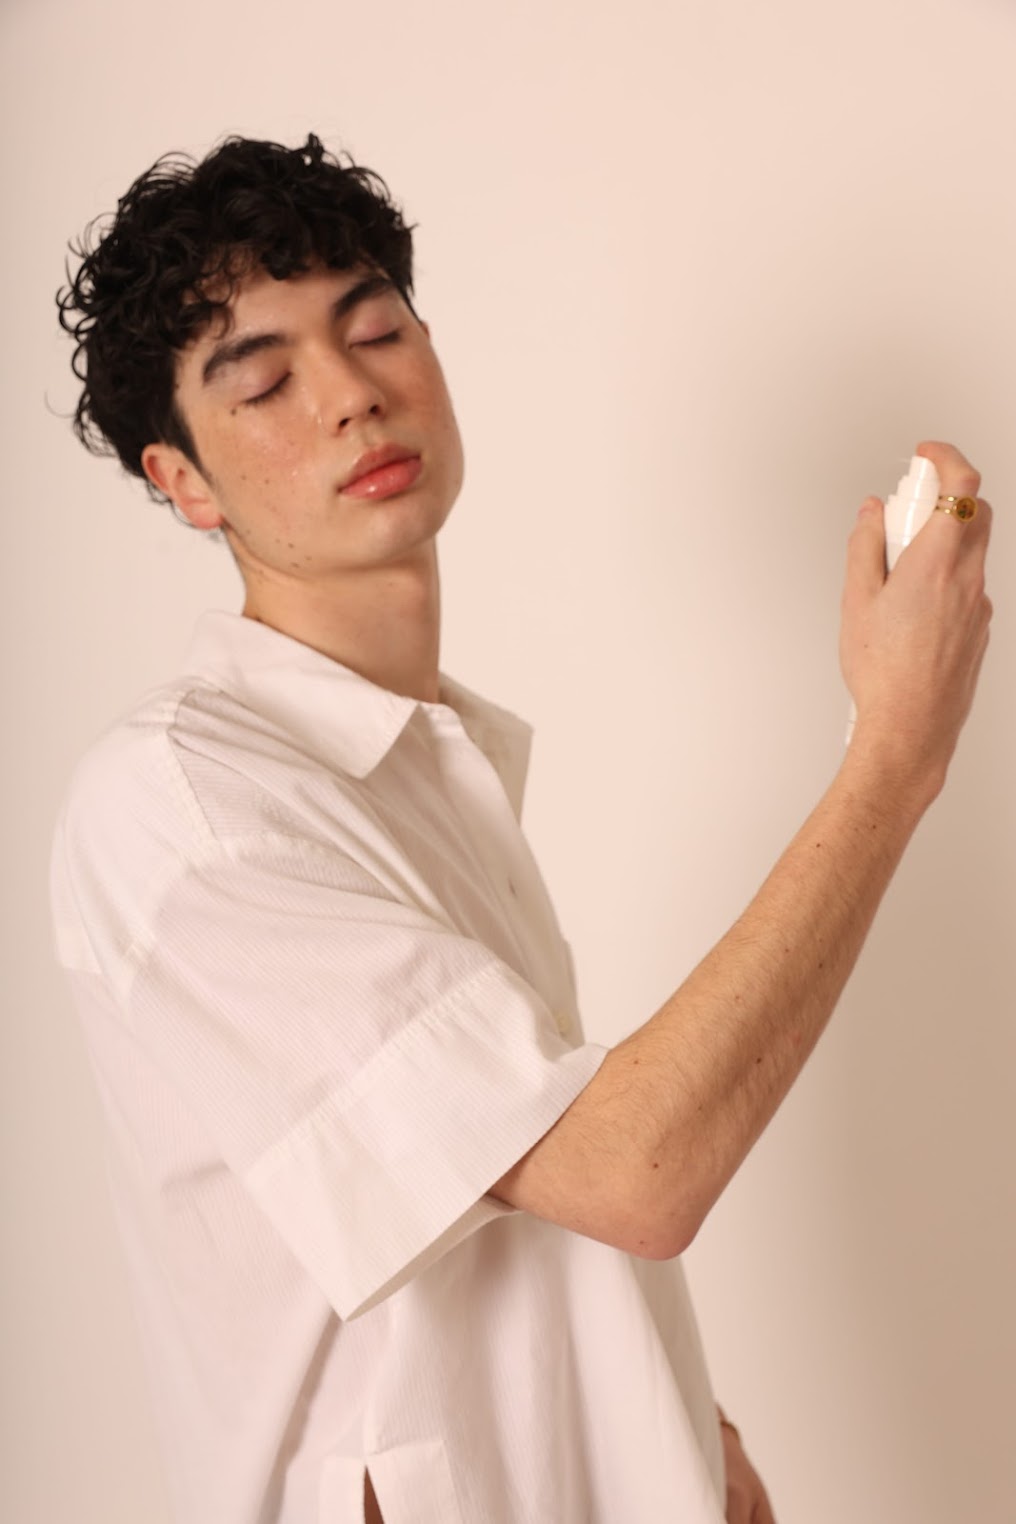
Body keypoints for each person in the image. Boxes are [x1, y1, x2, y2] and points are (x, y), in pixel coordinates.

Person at [49, 133, 992, 1524]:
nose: (353, 396)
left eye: (375, 330)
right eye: (264, 382)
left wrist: (681, 1427)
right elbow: (632, 1169)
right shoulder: (189, 805)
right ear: (183, 481)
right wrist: (895, 755)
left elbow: (510, 1178)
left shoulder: (422, 762)